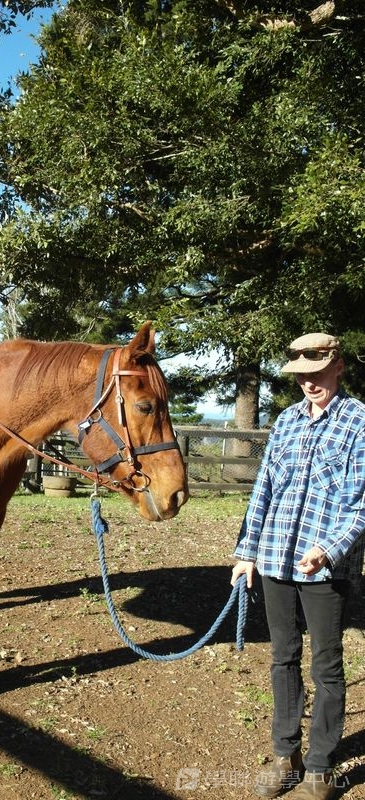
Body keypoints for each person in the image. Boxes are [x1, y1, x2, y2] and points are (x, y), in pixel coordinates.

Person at [231, 332, 365, 800]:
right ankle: (284, 754)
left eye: (317, 373)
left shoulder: (359, 422)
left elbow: (362, 505)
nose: (309, 383)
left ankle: (319, 767)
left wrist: (328, 548)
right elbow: (263, 490)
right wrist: (246, 551)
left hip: (326, 569)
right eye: (301, 376)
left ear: (338, 367)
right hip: (274, 559)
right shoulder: (286, 421)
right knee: (282, 658)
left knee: (326, 667)